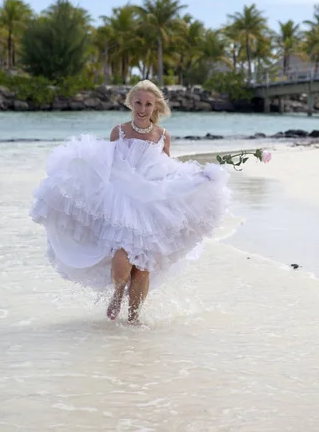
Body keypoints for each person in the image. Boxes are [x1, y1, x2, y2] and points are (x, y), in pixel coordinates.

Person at [30, 80, 230, 324]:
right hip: (123, 203)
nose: (142, 109)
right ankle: (117, 294)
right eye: (138, 103)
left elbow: (167, 169)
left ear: (156, 106)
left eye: (148, 104)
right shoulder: (119, 132)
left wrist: (198, 179)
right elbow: (108, 166)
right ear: (130, 103)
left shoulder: (162, 136)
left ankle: (134, 318)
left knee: (143, 267)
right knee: (122, 266)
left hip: (151, 206)